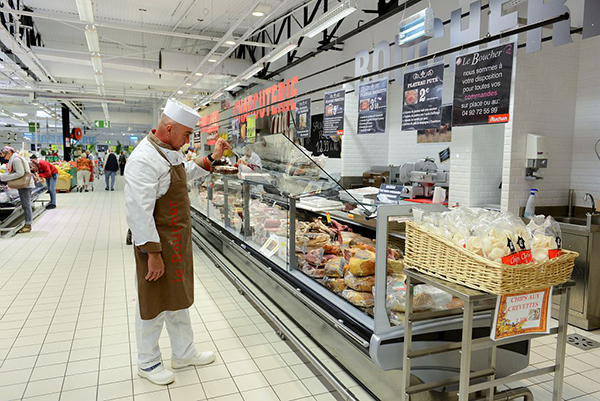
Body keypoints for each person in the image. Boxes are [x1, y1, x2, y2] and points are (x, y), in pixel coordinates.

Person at [125, 99, 231, 385]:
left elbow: (186, 171)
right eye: (186, 134)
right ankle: (147, 363)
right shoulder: (143, 159)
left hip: (176, 241)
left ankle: (183, 353)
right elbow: (138, 211)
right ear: (169, 127)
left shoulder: (168, 151)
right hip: (156, 245)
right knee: (153, 302)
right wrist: (153, 254)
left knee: (178, 298)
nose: (187, 141)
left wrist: (212, 157)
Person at [0, 146, 35, 233]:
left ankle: (28, 225)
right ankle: (28, 224)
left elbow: (20, 173)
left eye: (4, 156)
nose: (4, 158)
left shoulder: (16, 160)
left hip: (25, 185)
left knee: (26, 205)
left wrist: (4, 177)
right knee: (26, 204)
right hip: (26, 185)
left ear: (9, 153)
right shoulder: (17, 158)